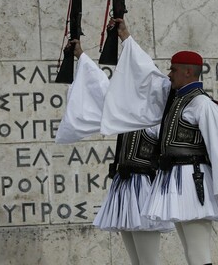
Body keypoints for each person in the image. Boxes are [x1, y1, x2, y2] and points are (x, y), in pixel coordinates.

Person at [100, 19, 218, 265]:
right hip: (177, 181)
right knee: (191, 253)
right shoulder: (176, 100)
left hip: (194, 180)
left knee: (198, 253)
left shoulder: (203, 105)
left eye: (173, 70)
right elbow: (146, 73)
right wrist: (126, 38)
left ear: (188, 72)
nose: (169, 74)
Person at [55, 40, 173, 265]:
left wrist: (126, 35)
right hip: (125, 187)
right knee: (137, 261)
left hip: (144, 189)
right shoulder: (127, 112)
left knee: (149, 261)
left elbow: (147, 72)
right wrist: (81, 55)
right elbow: (101, 87)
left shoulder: (160, 118)